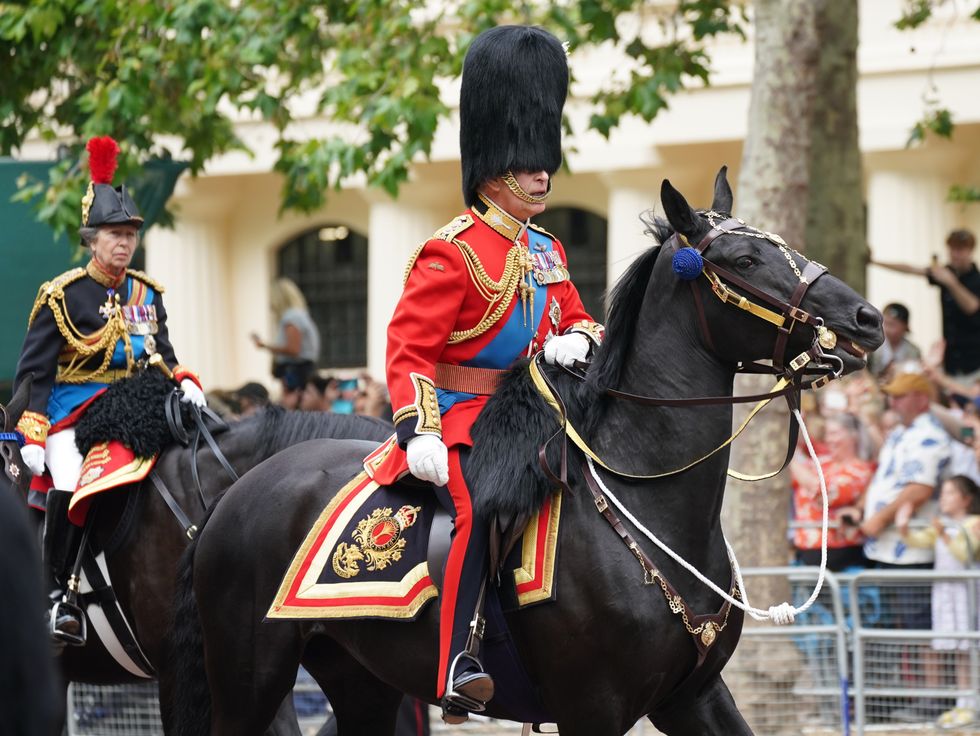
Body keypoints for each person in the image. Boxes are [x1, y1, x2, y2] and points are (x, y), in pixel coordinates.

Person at [367, 25, 604, 724]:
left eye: (544, 163)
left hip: (538, 409)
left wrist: (573, 345)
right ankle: (457, 660)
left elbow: (582, 319)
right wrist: (417, 430)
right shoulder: (453, 253)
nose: (542, 174)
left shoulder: (547, 248)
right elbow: (408, 349)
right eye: (528, 163)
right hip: (464, 416)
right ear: (495, 166)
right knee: (482, 507)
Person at [12, 136, 206, 644]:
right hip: (72, 411)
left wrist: (185, 382)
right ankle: (58, 597)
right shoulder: (63, 295)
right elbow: (33, 373)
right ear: (91, 238)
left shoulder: (146, 293)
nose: (124, 243)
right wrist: (32, 435)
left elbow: (163, 352)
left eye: (130, 235)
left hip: (139, 402)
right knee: (71, 479)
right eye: (114, 234)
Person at [861, 372, 953, 629]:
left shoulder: (930, 434)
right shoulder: (901, 432)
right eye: (892, 397)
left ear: (921, 399)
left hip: (912, 550)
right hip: (889, 547)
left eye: (900, 397)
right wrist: (861, 511)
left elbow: (920, 489)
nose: (893, 403)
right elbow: (885, 479)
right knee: (898, 629)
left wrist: (879, 519)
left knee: (917, 630)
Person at [897, 475, 980, 729]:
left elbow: (964, 552)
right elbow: (918, 540)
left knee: (970, 648)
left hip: (967, 594)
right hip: (945, 594)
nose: (943, 499)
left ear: (965, 499)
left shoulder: (974, 523)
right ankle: (962, 703)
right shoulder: (941, 525)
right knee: (957, 651)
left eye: (950, 493)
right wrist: (903, 526)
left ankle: (972, 703)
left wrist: (944, 533)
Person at [872, 229, 980, 382]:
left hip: (974, 361)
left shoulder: (975, 279)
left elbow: (972, 307)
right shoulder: (946, 272)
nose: (955, 254)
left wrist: (951, 283)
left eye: (960, 250)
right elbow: (911, 269)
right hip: (950, 360)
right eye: (952, 249)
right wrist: (875, 262)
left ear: (970, 251)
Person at [791, 413, 875, 571]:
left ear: (853, 436)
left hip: (840, 558)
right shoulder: (822, 462)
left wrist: (790, 459)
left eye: (834, 433)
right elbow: (796, 476)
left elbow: (823, 493)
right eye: (827, 434)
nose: (829, 439)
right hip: (805, 554)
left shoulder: (860, 470)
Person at [251, 277, 321, 396]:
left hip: (296, 372)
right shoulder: (298, 315)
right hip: (300, 370)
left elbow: (293, 349)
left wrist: (266, 346)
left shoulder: (291, 318)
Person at [867, 303, 921, 379]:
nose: (888, 329)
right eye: (886, 324)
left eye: (893, 325)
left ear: (905, 326)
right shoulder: (873, 347)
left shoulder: (913, 351)